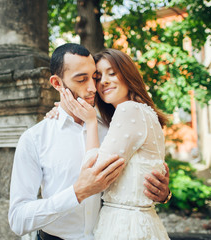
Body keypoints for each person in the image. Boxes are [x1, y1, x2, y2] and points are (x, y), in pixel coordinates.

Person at [8, 43, 171, 240]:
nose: (94, 87)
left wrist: (164, 194)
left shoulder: (115, 125)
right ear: (57, 83)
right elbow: (18, 220)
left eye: (94, 77)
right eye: (82, 79)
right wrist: (76, 193)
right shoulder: (35, 138)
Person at [60, 48, 170, 239]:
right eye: (98, 77)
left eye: (112, 73)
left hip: (125, 226)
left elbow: (96, 173)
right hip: (139, 221)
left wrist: (91, 122)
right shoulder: (142, 113)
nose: (104, 81)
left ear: (128, 74)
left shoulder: (129, 110)